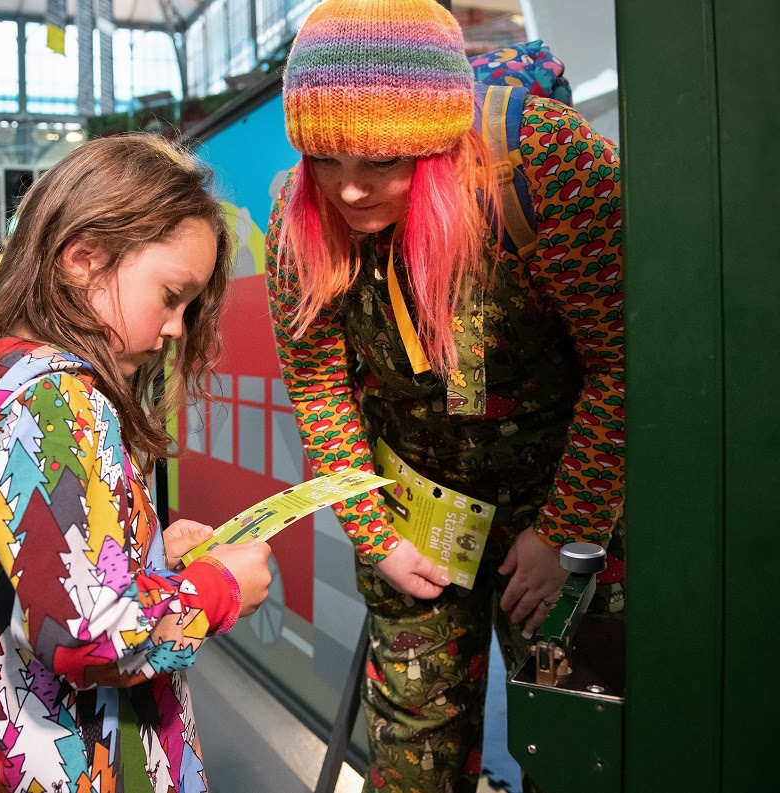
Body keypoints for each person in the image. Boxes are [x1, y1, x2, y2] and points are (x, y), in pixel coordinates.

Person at [265, 1, 625, 790]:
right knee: (411, 764)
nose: (350, 193)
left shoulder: (547, 168)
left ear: (439, 141)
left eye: (382, 163)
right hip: (416, 519)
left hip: (563, 509)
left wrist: (563, 531)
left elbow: (625, 362)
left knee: (581, 749)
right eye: (324, 160)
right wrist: (376, 536)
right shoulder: (298, 222)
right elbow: (322, 395)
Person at [0, 134, 273, 793]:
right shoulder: (61, 406)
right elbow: (88, 638)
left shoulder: (1, 379)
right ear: (84, 259)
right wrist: (216, 589)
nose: (177, 329)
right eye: (171, 295)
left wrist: (152, 554)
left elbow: (34, 575)